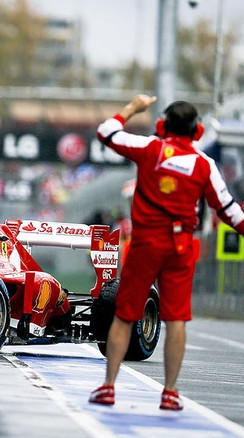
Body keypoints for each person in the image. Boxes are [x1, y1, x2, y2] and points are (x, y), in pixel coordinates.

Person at [88, 95, 244, 411]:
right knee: (176, 320)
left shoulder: (150, 149)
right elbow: (228, 209)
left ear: (161, 126)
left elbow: (106, 132)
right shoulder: (204, 164)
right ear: (197, 131)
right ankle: (170, 392)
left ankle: (108, 386)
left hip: (145, 245)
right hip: (181, 249)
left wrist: (132, 108)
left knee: (125, 315)